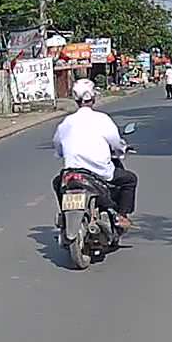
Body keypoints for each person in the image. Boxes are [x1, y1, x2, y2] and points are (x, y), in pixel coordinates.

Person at [54, 78, 138, 230]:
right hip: (99, 172)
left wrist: (62, 153)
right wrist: (121, 150)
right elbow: (116, 142)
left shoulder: (66, 122)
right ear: (93, 98)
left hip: (72, 173)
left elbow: (58, 146)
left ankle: (64, 218)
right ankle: (121, 216)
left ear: (75, 100)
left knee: (57, 183)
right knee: (130, 180)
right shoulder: (102, 119)